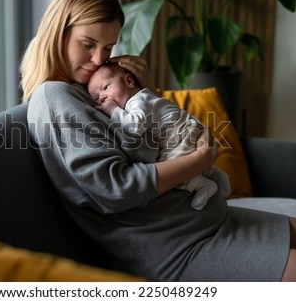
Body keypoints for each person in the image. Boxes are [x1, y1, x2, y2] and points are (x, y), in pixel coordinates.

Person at [21, 0, 296, 281]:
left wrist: (148, 90)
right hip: (178, 249)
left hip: (208, 221)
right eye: (88, 44)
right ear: (58, 32)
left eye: (108, 47)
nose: (100, 59)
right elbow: (116, 189)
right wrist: (201, 159)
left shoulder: (85, 88)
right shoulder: (55, 99)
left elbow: (151, 142)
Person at [87, 62, 230, 210]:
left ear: (129, 81)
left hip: (179, 133)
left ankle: (204, 185)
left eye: (105, 87)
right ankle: (214, 174)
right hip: (184, 129)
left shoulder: (138, 101)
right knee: (180, 164)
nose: (103, 97)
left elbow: (134, 127)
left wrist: (113, 110)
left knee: (172, 169)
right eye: (97, 98)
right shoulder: (143, 98)